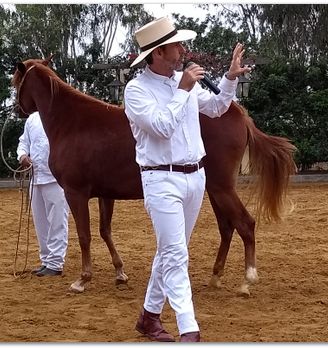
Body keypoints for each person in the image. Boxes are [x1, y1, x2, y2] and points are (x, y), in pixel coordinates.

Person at [124, 17, 251, 342]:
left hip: (195, 177)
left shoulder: (182, 82)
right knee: (177, 254)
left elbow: (218, 107)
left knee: (170, 250)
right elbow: (162, 127)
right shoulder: (136, 90)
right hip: (160, 180)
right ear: (159, 52)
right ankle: (188, 329)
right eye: (177, 44)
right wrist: (183, 90)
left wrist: (229, 79)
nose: (183, 49)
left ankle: (149, 317)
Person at [17, 111, 70, 277]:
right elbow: (23, 141)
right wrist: (23, 156)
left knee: (57, 221)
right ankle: (46, 260)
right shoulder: (32, 119)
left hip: (56, 178)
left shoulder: (62, 115)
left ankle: (55, 263)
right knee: (40, 223)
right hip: (36, 177)